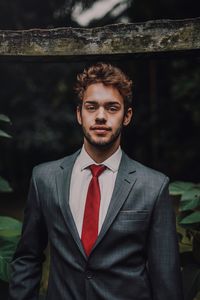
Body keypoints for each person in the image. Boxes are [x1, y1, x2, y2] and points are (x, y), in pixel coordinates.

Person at [9, 62, 183, 300]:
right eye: (92, 107)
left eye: (112, 108)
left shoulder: (154, 186)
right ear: (79, 114)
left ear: (127, 116)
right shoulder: (44, 179)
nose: (101, 116)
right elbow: (27, 258)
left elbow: (167, 279)